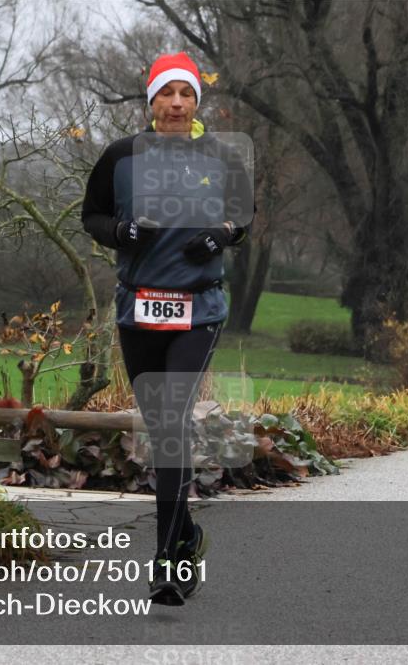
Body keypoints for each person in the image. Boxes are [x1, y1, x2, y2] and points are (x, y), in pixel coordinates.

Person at [81, 52, 253, 606]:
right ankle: (186, 534)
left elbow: (243, 216)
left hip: (197, 310)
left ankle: (165, 560)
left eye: (186, 93)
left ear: (197, 101)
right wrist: (121, 232)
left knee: (174, 419)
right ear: (151, 100)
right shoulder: (121, 156)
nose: (176, 103)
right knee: (161, 429)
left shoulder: (221, 157)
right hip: (139, 309)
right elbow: (92, 216)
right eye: (166, 93)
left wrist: (221, 235)